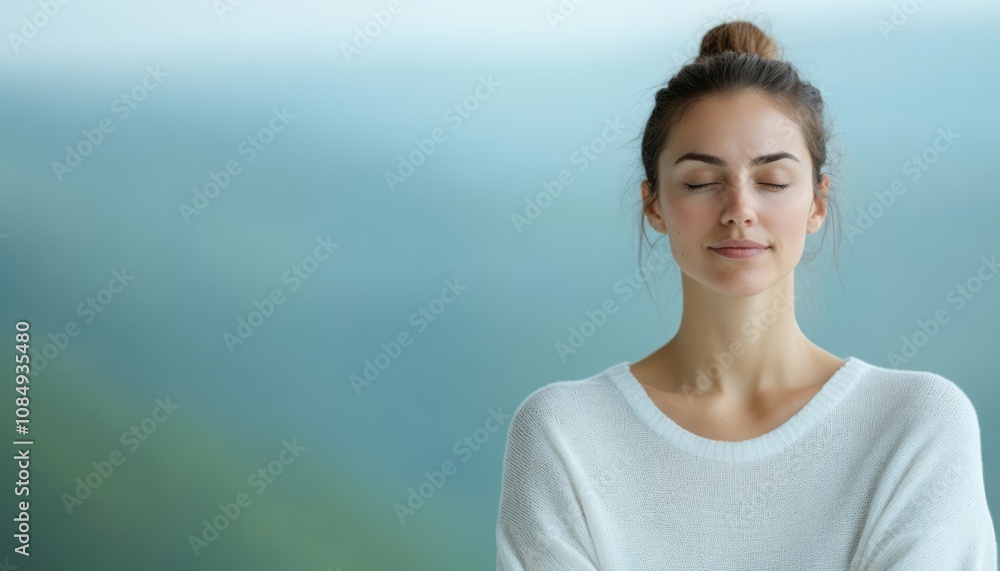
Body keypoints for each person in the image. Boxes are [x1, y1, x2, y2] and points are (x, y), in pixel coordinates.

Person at [495, 19, 997, 570]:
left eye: (774, 181)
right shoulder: (565, 434)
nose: (739, 208)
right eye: (700, 182)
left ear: (816, 203)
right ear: (654, 204)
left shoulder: (915, 424)